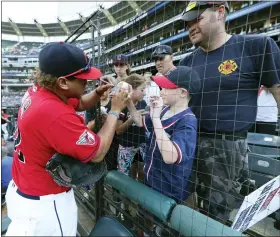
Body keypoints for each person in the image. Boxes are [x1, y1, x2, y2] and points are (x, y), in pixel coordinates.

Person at [5, 42, 129, 236]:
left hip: (23, 190)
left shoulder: (42, 89)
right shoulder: (54, 113)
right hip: (45, 204)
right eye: (83, 80)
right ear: (63, 82)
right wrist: (115, 110)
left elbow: (77, 102)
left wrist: (96, 94)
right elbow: (97, 153)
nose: (87, 83)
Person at [179, 1, 280, 221]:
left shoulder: (256, 46)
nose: (191, 27)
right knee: (182, 205)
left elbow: (277, 91)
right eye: (187, 23)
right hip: (189, 141)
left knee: (217, 215)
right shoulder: (187, 61)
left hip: (227, 146)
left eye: (197, 18)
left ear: (220, 12)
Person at [127, 66, 201, 204]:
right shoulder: (164, 109)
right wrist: (128, 101)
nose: (162, 92)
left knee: (162, 223)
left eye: (167, 88)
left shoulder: (187, 119)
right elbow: (139, 121)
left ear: (183, 92)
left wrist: (155, 119)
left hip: (168, 188)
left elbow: (170, 157)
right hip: (152, 179)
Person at [117, 74, 147, 177]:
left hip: (142, 144)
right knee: (125, 174)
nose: (145, 93)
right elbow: (118, 130)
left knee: (143, 170)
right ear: (132, 89)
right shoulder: (122, 105)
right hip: (126, 146)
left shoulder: (143, 103)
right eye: (142, 90)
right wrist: (132, 118)